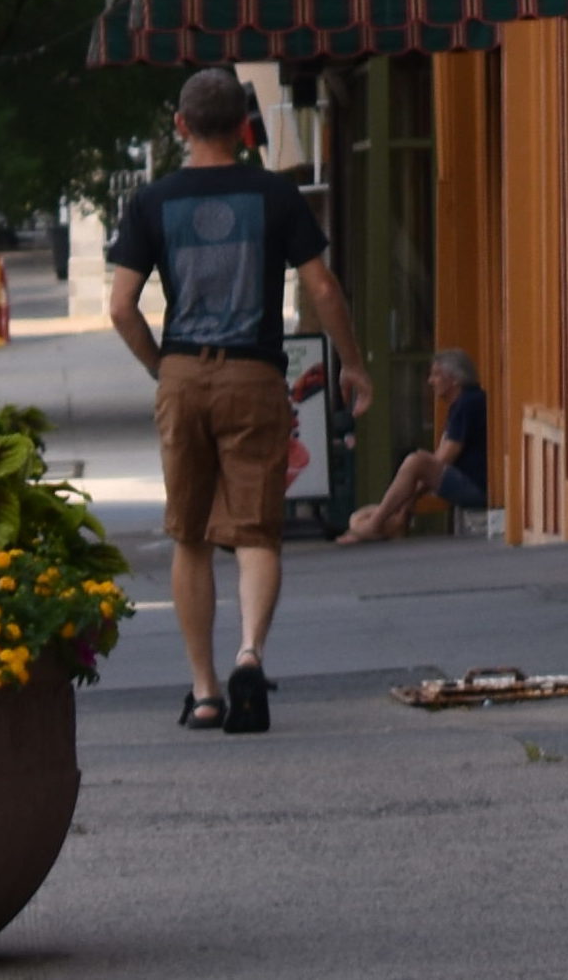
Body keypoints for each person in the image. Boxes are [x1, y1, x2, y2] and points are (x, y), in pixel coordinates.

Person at [105, 69, 375, 732]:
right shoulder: (274, 195)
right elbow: (324, 290)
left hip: (185, 375)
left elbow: (121, 307)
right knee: (256, 531)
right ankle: (249, 653)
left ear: (181, 127)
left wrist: (162, 368)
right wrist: (354, 365)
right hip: (255, 376)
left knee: (190, 535)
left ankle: (203, 691)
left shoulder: (152, 202)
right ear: (245, 127)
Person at [335, 347, 489, 543]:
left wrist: (407, 499)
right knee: (357, 516)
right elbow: (437, 464)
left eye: (436, 375)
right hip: (469, 484)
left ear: (455, 379)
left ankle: (374, 526)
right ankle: (386, 524)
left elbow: (443, 459)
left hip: (479, 489)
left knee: (416, 461)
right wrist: (406, 503)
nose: (430, 381)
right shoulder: (460, 405)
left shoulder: (469, 402)